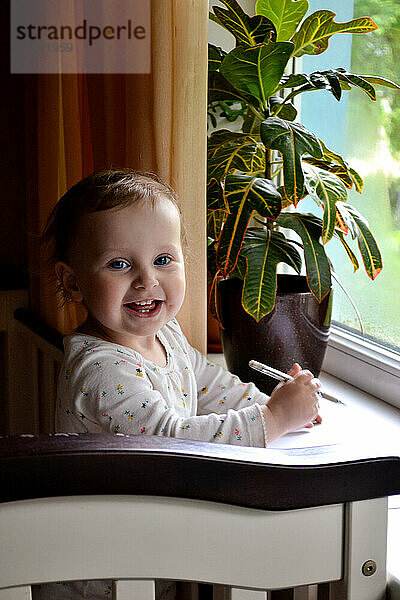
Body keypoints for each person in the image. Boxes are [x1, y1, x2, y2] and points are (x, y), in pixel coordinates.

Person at [34, 168, 321, 600]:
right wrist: (274, 419)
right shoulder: (100, 371)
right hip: (101, 575)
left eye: (163, 260)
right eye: (119, 264)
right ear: (73, 282)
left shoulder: (163, 336)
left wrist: (275, 400)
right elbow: (173, 441)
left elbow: (208, 385)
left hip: (151, 552)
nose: (146, 280)